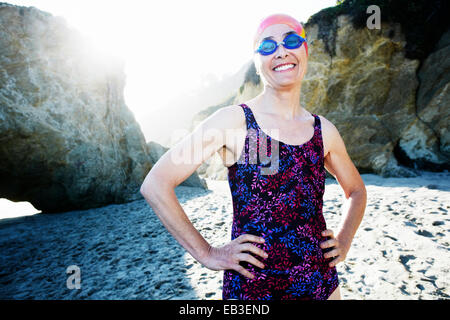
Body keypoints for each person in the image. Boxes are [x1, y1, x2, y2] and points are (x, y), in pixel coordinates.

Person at [140, 13, 367, 300]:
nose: (281, 51)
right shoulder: (232, 122)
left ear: (304, 50)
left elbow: (357, 190)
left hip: (321, 283)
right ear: (256, 62)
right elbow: (156, 183)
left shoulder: (324, 131)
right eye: (267, 46)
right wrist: (207, 253)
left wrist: (344, 240)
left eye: (292, 41)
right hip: (253, 290)